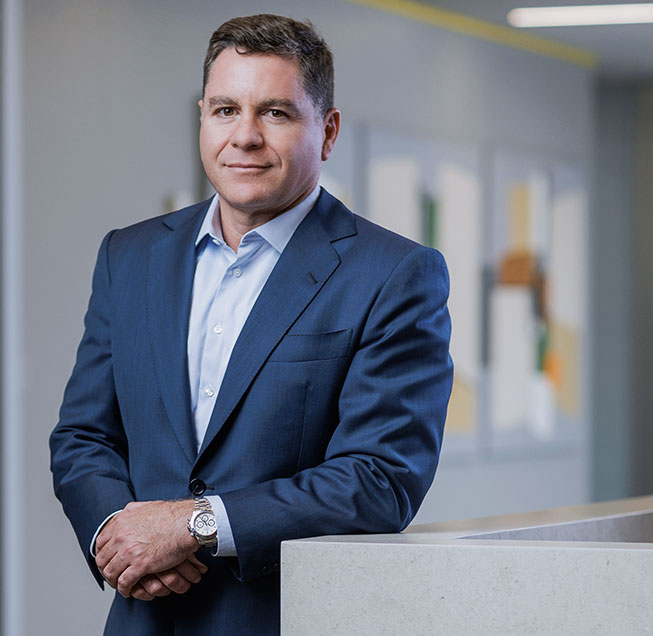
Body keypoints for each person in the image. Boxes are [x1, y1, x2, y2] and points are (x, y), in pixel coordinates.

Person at [50, 13, 453, 636]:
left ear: (328, 131)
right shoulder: (128, 257)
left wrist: (193, 526)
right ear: (202, 120)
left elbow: (379, 481)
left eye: (276, 113)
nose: (244, 137)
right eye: (224, 110)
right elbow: (82, 437)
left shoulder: (394, 274)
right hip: (141, 620)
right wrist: (117, 534)